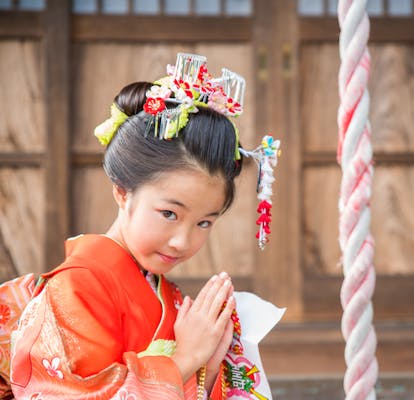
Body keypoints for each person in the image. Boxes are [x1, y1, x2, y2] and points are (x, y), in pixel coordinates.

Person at [7, 53, 275, 400]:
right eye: (169, 213)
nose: (183, 241)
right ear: (122, 191)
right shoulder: (78, 287)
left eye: (205, 222)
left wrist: (209, 366)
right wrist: (186, 359)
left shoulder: (168, 295)